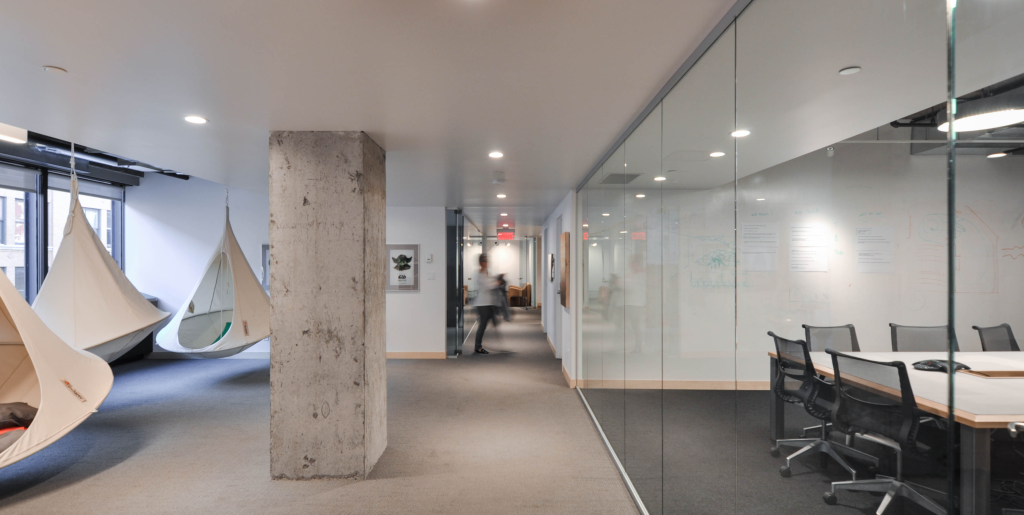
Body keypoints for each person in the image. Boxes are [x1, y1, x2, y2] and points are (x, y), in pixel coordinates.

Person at [472, 254, 500, 354]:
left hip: (487, 303)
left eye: (487, 261)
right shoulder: (479, 274)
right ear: (481, 263)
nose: (487, 263)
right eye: (485, 261)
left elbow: (491, 281)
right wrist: (497, 282)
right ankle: (478, 347)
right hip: (482, 304)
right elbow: (488, 286)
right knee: (482, 325)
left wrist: (498, 278)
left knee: (489, 322)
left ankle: (479, 344)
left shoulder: (485, 272)